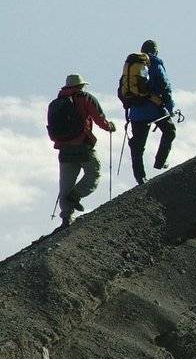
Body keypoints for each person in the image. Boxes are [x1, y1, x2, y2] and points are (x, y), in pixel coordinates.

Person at [47, 73, 117, 228]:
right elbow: (99, 119)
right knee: (94, 173)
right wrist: (110, 127)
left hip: (64, 148)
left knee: (65, 183)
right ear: (80, 85)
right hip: (83, 144)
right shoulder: (85, 98)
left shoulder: (56, 102)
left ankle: (66, 218)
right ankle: (76, 195)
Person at [124, 39, 176, 184]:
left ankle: (140, 177)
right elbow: (165, 86)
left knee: (138, 146)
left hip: (135, 112)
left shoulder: (130, 66)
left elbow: (122, 91)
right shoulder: (155, 63)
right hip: (154, 109)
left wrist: (129, 107)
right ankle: (160, 162)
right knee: (170, 131)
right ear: (155, 51)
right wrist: (170, 108)